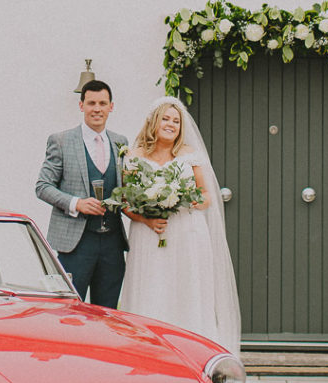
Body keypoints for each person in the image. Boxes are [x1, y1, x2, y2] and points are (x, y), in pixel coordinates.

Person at [118, 98, 241, 354]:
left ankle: (193, 353)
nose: (171, 124)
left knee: (187, 290)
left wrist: (182, 199)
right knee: (153, 288)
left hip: (187, 232)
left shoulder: (188, 154)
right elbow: (126, 203)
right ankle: (150, 354)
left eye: (176, 121)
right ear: (154, 121)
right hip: (150, 235)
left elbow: (207, 196)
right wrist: (148, 218)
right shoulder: (134, 155)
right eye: (166, 118)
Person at [35, 78, 129, 307]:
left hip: (112, 243)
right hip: (76, 243)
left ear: (111, 107)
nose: (97, 109)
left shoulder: (121, 142)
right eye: (91, 103)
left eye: (102, 103)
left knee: (108, 312)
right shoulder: (62, 140)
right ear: (81, 106)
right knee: (69, 312)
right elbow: (43, 186)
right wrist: (76, 203)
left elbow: (126, 187)